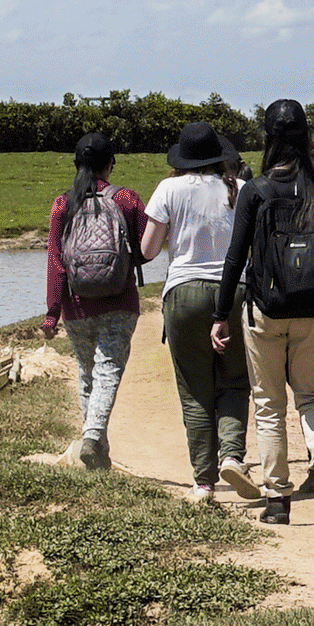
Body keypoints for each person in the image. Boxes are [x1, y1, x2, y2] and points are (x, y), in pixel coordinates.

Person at [212, 100, 314, 525]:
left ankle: (277, 499)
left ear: (268, 139)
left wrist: (221, 313)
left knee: (269, 403)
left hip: (266, 310)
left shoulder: (256, 191)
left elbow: (235, 259)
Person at [140, 122, 250, 502]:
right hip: (235, 292)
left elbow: (148, 249)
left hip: (184, 293)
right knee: (235, 381)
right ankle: (233, 453)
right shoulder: (240, 189)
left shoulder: (168, 189)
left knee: (195, 391)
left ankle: (203, 482)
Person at [41, 133, 148, 472]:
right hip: (120, 301)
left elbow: (55, 261)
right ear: (110, 164)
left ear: (77, 165)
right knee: (108, 370)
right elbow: (146, 248)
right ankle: (92, 438)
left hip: (76, 304)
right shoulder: (127, 199)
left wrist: (51, 312)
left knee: (88, 374)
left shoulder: (62, 203)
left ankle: (97, 455)